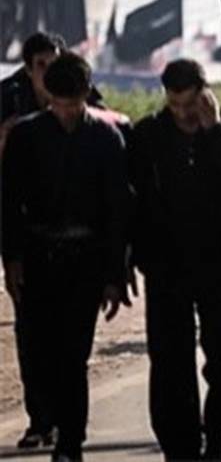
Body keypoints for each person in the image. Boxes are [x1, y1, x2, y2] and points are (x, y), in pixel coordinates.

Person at [1, 52, 133, 462]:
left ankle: (70, 442)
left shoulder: (106, 139)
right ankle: (51, 421)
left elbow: (117, 212)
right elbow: (9, 203)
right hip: (38, 259)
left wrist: (115, 276)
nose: (66, 112)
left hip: (85, 261)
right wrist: (11, 259)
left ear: (85, 95)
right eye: (59, 104)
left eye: (73, 104)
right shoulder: (26, 137)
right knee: (40, 352)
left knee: (74, 355)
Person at [129, 59, 221, 461]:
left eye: (189, 103)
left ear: (205, 95)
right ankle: (180, 446)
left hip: (220, 263)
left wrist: (215, 129)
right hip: (166, 266)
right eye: (175, 104)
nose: (183, 113)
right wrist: (129, 259)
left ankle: (217, 438)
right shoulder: (149, 134)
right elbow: (130, 200)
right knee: (170, 361)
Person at [0, 31, 65, 450]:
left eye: (53, 64)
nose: (49, 73)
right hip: (25, 231)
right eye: (41, 66)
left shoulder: (76, 86)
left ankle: (65, 419)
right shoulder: (8, 101)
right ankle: (40, 420)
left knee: (68, 333)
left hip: (73, 232)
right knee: (31, 331)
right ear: (28, 69)